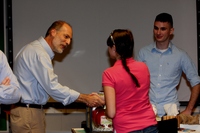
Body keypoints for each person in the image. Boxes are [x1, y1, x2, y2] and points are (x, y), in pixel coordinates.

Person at [10, 20, 105, 133]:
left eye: (70, 39)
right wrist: (85, 98)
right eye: (66, 36)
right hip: (28, 114)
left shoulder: (34, 49)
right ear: (53, 32)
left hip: (31, 112)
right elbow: (52, 87)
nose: (68, 42)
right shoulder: (39, 53)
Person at [137, 13, 200, 117]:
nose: (158, 32)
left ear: (171, 31)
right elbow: (134, 83)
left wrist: (189, 110)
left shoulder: (180, 55)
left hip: (171, 113)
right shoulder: (143, 53)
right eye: (156, 28)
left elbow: (196, 82)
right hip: (146, 111)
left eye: (163, 29)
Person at [102, 29, 158, 133]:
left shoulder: (109, 73)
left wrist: (105, 110)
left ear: (114, 48)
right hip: (150, 125)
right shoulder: (143, 67)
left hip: (126, 127)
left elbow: (111, 113)